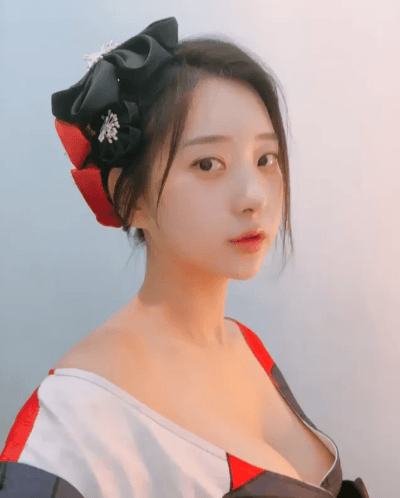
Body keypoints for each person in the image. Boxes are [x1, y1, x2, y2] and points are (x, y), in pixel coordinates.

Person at [0, 16, 369, 498]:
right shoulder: (75, 420)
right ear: (130, 197)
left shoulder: (243, 345)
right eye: (208, 164)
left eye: (266, 159)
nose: (253, 196)